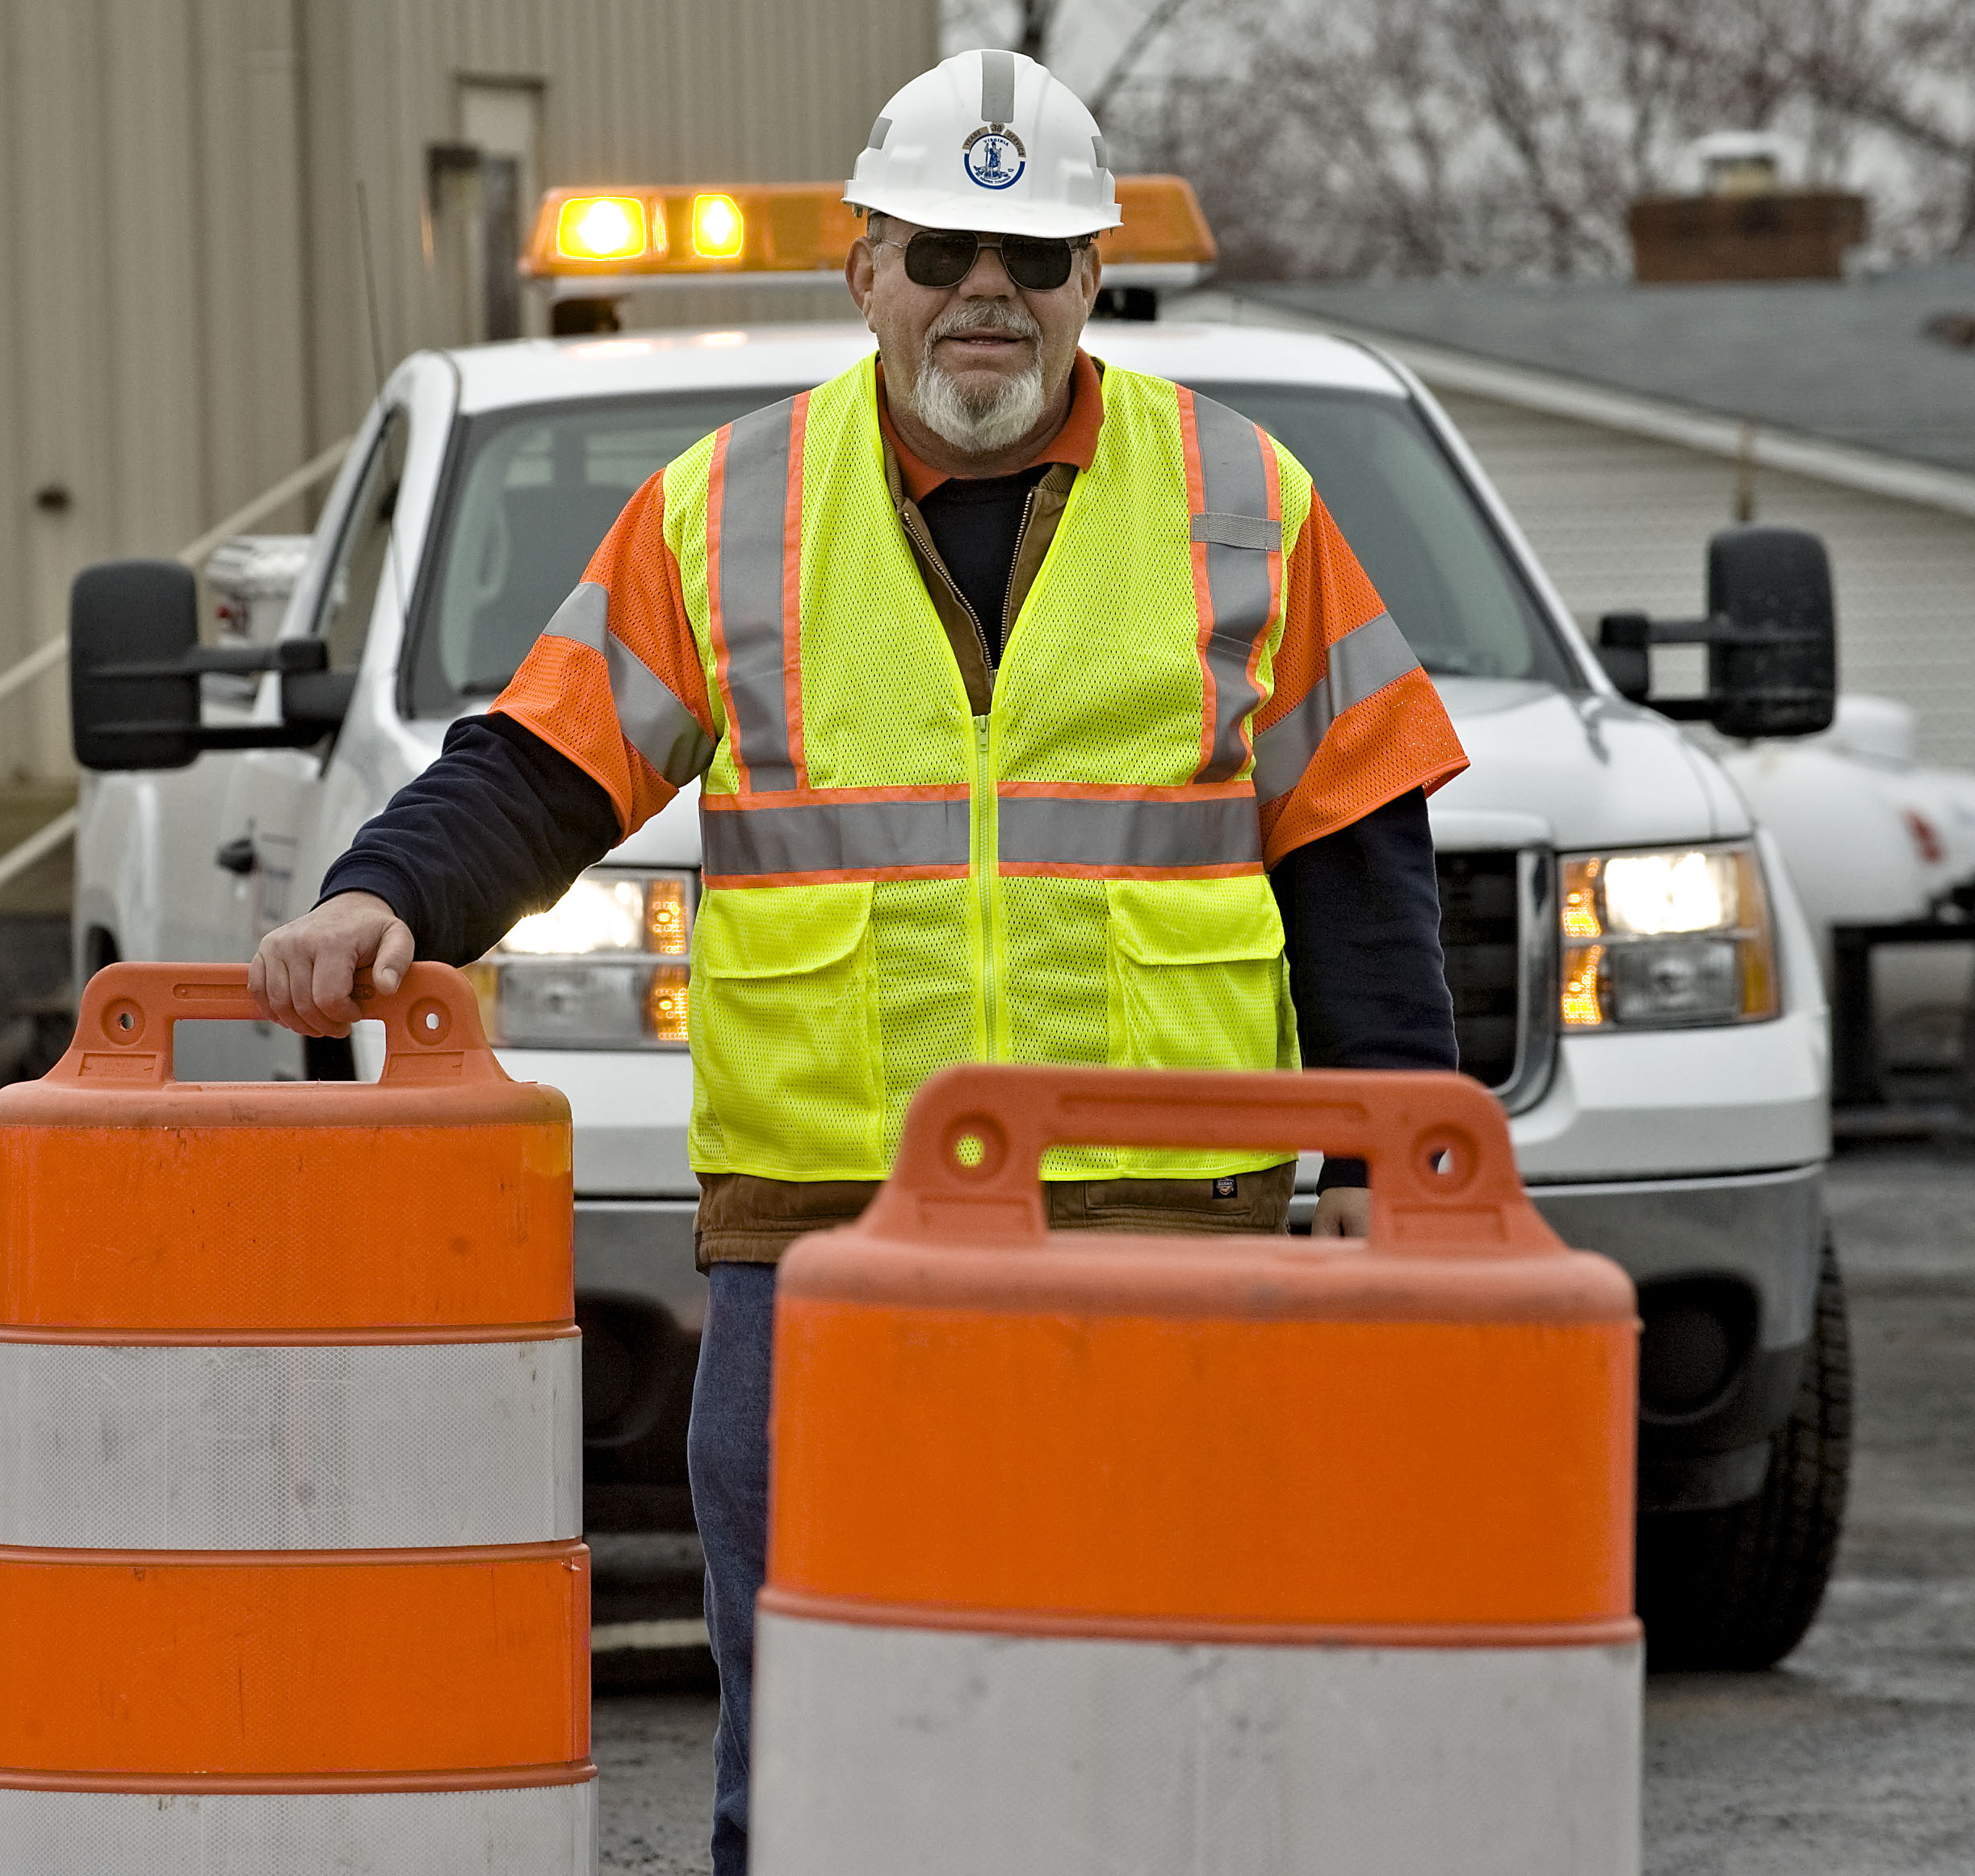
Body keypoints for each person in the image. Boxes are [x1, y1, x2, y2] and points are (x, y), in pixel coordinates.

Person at [249, 48, 1466, 1875]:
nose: (988, 292)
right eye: (941, 251)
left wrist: (1408, 1163)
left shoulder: (1246, 496)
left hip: (1166, 1223)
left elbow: (1357, 849)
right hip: (824, 1234)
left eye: (1032, 258)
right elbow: (547, 759)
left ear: (1092, 280)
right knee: (821, 1733)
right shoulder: (725, 504)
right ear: (865, 270)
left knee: (1163, 1727)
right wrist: (386, 891)